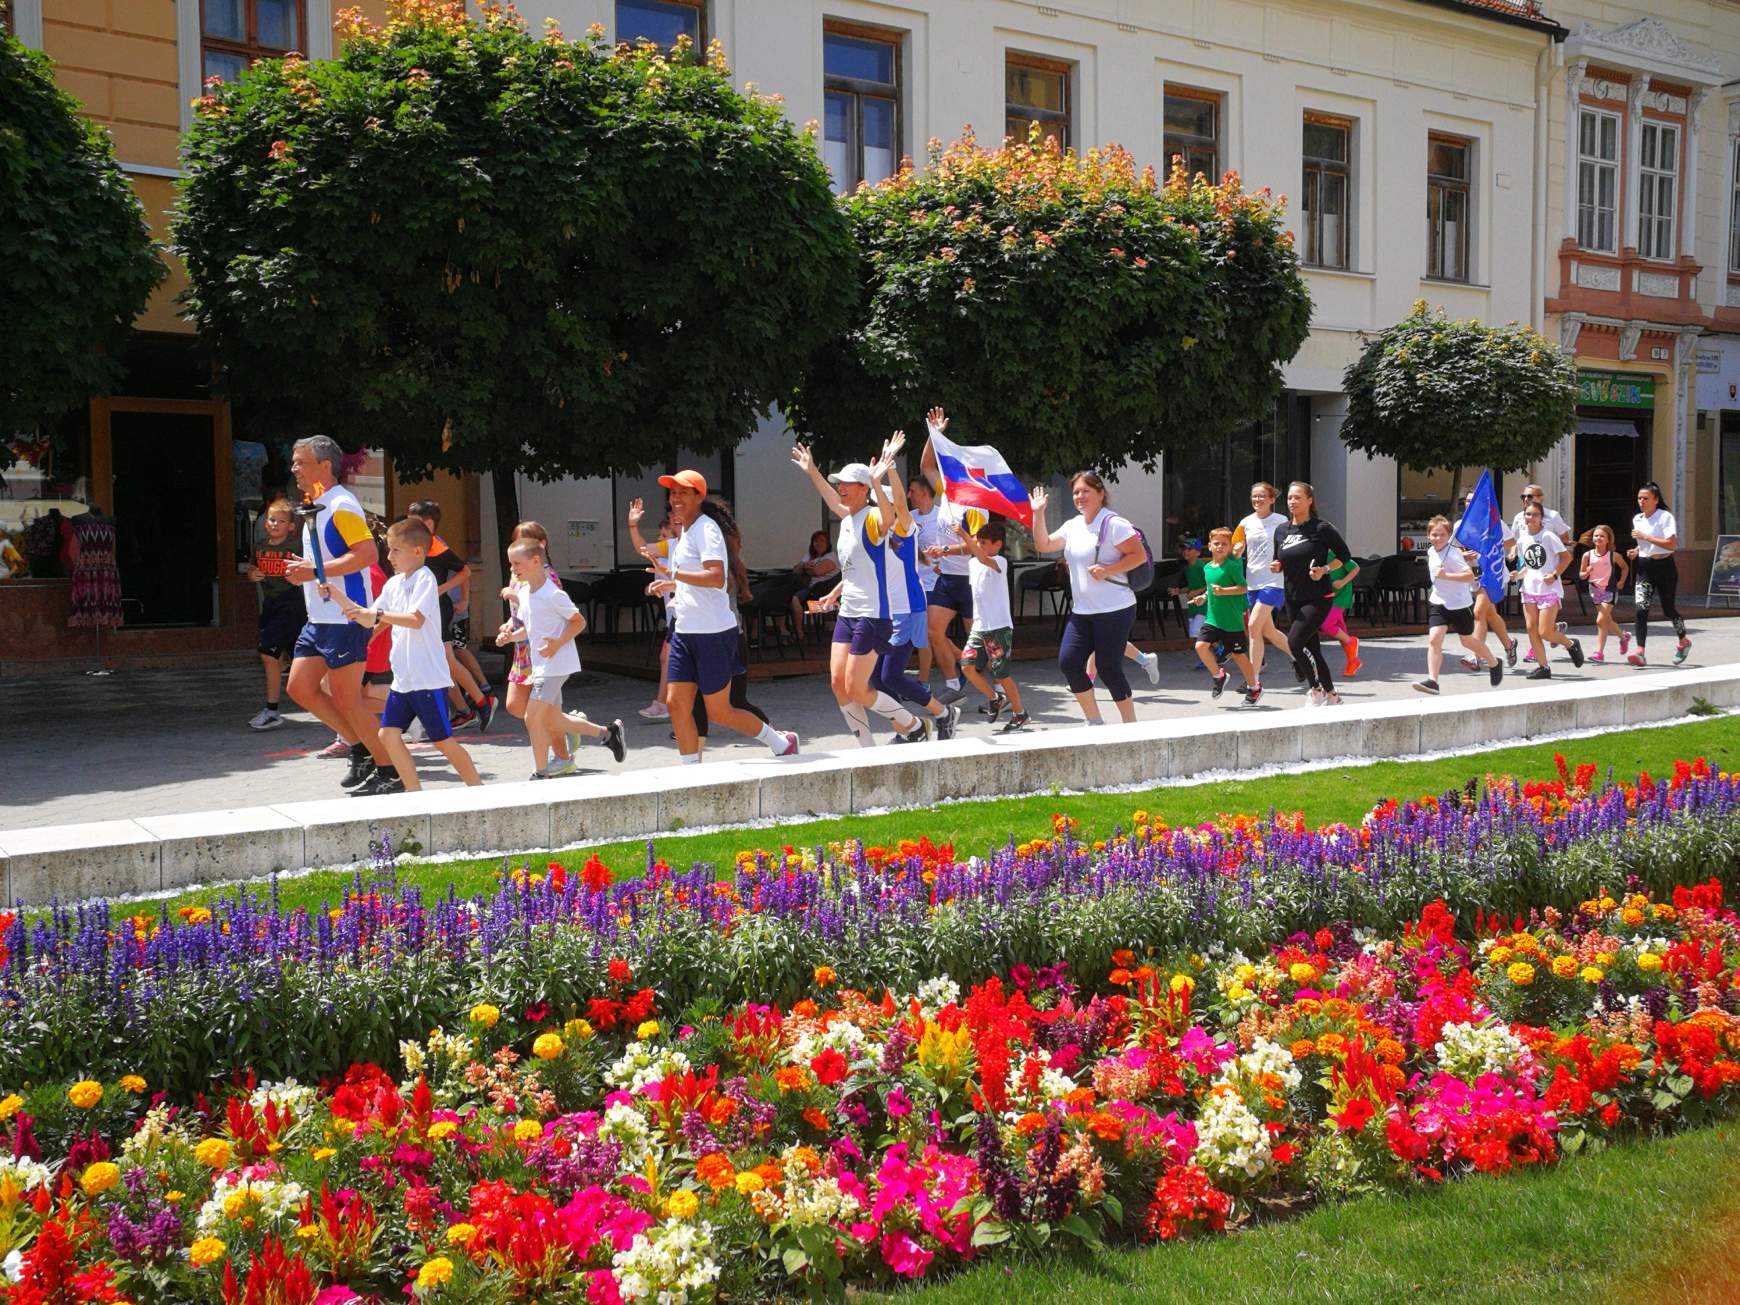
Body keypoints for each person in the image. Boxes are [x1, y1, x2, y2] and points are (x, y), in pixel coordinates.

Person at [794, 436, 956, 746]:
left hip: (883, 612)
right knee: (840, 684)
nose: (841, 486)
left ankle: (916, 724)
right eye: (839, 482)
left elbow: (892, 513)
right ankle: (869, 748)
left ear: (866, 491)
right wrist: (812, 470)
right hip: (850, 612)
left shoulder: (882, 521)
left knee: (871, 683)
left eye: (847, 482)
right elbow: (857, 565)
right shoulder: (848, 521)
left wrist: (886, 472)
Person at [651, 468, 799, 763]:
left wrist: (674, 572)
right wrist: (674, 583)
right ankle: (691, 773)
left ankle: (781, 741)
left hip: (713, 633)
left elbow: (716, 577)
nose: (675, 498)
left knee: (720, 711)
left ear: (699, 496)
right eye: (672, 492)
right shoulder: (687, 531)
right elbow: (696, 578)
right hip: (685, 630)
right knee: (676, 704)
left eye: (682, 492)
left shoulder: (706, 529)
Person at [334, 518, 483, 795]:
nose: (389, 557)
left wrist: (375, 616)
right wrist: (336, 595)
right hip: (403, 680)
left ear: (417, 551)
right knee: (387, 735)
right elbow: (371, 621)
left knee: (442, 741)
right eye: (388, 550)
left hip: (426, 678)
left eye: (395, 551)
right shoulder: (393, 584)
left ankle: (478, 792)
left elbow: (414, 619)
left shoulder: (425, 578)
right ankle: (414, 794)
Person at [282, 435, 395, 792]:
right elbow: (326, 562)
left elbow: (367, 555)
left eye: (301, 462)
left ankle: (389, 771)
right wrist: (304, 570)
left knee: (348, 699)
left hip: (345, 618)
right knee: (299, 688)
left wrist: (314, 571)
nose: (294, 468)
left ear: (324, 466)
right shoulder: (317, 503)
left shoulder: (342, 505)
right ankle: (361, 749)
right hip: (320, 619)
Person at [497, 537, 626, 778]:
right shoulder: (524, 593)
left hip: (555, 666)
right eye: (511, 564)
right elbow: (531, 629)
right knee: (553, 720)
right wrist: (511, 637)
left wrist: (557, 644)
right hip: (542, 665)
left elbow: (579, 622)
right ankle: (608, 734)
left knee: (532, 717)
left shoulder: (553, 594)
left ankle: (541, 772)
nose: (513, 569)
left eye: (516, 563)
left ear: (536, 561)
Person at [1030, 471, 1145, 725]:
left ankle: (1131, 726)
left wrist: (1108, 570)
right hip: (1083, 611)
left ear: (1100, 494)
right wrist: (1038, 513)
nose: (1079, 496)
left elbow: (1139, 556)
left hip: (1115, 609)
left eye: (1085, 491)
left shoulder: (1114, 523)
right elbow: (1044, 545)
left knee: (1108, 667)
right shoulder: (1073, 525)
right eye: (1075, 492)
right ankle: (1095, 722)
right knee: (1069, 662)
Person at [873, 457, 959, 742]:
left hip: (908, 609)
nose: (874, 511)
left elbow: (899, 502)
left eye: (878, 505)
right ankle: (911, 726)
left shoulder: (903, 527)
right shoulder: (876, 533)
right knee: (876, 679)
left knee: (891, 677)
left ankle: (940, 715)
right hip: (885, 612)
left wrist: (891, 470)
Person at [405, 500, 495, 734]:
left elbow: (464, 570)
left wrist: (443, 590)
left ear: (429, 523)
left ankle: (479, 703)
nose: (408, 524)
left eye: (413, 521)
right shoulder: (417, 545)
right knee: (441, 664)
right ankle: (469, 708)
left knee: (446, 662)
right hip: (424, 608)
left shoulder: (434, 545)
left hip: (436, 609)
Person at [919, 407, 985, 705]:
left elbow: (977, 547)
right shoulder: (946, 491)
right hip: (947, 578)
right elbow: (926, 465)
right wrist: (935, 434)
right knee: (933, 631)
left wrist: (945, 549)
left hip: (971, 579)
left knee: (980, 645)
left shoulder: (975, 505)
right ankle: (952, 686)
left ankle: (994, 691)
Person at [1269, 481, 1352, 707]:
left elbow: (1345, 556)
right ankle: (1333, 695)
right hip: (1293, 597)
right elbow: (1282, 559)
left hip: (1318, 596)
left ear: (1309, 500)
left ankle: (1315, 689)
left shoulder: (1321, 528)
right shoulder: (1281, 530)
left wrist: (1324, 570)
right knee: (1313, 649)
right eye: (1289, 498)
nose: (1292, 502)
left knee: (1294, 642)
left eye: (1297, 497)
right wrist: (1277, 565)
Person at [497, 520, 572, 765]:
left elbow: (546, 607)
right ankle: (566, 729)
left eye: (524, 542)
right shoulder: (517, 572)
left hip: (541, 647)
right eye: (515, 541)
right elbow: (522, 611)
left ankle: (561, 755)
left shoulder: (547, 574)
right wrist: (510, 623)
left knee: (538, 712)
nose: (518, 548)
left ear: (540, 546)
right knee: (518, 706)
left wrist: (514, 596)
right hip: (522, 646)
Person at [950, 517, 1028, 730]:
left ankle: (1020, 712)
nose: (980, 545)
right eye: (978, 541)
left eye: (984, 542)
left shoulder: (999, 562)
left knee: (1001, 673)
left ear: (997, 545)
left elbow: (984, 559)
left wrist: (964, 534)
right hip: (980, 626)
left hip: (999, 627)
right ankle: (995, 698)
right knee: (966, 666)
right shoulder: (972, 563)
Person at [1413, 516, 1502, 695]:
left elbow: (1469, 576)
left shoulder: (1453, 555)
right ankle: (1433, 681)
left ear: (1449, 536)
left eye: (1442, 535)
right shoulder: (1431, 551)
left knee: (1467, 641)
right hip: (1438, 603)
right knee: (1434, 639)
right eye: (1434, 535)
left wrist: (1446, 576)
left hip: (1460, 605)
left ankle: (1494, 662)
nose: (1437, 538)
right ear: (1428, 536)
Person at [246, 498, 305, 730]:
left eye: (281, 521)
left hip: (293, 604)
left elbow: (311, 569)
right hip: (271, 605)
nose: (275, 524)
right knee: (303, 660)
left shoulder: (296, 547)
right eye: (271, 519)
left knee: (267, 651)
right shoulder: (260, 546)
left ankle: (271, 709)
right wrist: (252, 574)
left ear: (291, 526)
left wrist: (300, 577)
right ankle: (272, 710)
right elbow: (251, 568)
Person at [1232, 483, 1296, 688]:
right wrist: (1238, 549)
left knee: (1252, 626)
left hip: (1274, 581)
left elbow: (1291, 548)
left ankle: (1253, 680)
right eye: (1254, 497)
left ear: (1271, 499)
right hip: (1253, 582)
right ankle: (1300, 659)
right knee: (1267, 631)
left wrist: (1284, 563)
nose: (1257, 500)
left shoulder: (1281, 521)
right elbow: (1235, 550)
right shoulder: (1245, 523)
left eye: (1261, 496)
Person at [1515, 499, 1584, 678]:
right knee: (1531, 628)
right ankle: (1543, 667)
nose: (1531, 517)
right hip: (1529, 588)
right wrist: (1517, 575)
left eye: (1535, 514)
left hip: (1549, 589)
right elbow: (1529, 566)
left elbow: (1566, 558)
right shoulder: (1522, 539)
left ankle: (1570, 644)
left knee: (1544, 631)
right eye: (1528, 514)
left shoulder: (1548, 536)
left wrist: (1554, 575)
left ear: (1541, 518)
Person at [1455, 488, 1520, 673]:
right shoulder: (1460, 524)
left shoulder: (1495, 522)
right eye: (1467, 501)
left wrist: (1499, 547)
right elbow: (1456, 548)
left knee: (1478, 613)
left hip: (1493, 573)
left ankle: (1475, 656)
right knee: (1489, 614)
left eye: (1473, 501)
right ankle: (1509, 644)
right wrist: (1464, 554)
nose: (1470, 504)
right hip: (1474, 573)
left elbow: (1510, 542)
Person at [1627, 481, 1692, 667]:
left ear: (1655, 499)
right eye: (1639, 498)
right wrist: (1636, 550)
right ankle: (1640, 652)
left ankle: (1683, 641)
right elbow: (1644, 545)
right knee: (1641, 609)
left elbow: (1672, 545)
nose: (1641, 501)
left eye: (1645, 498)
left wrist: (1645, 537)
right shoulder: (1637, 519)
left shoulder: (1665, 517)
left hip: (1665, 567)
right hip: (1644, 568)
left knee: (1668, 609)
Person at [625, 503, 678, 720]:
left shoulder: (688, 546)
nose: (660, 537)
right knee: (667, 658)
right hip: (676, 617)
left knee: (668, 658)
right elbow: (643, 549)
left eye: (664, 532)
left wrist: (671, 583)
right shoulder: (669, 547)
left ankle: (667, 705)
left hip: (689, 617)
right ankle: (669, 705)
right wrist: (632, 524)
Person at [1194, 527, 1259, 703]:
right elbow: (1211, 589)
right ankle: (1218, 675)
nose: (1220, 547)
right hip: (1213, 618)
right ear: (1209, 546)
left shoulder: (1231, 566)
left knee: (1239, 656)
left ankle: (1254, 687)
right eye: (1216, 543)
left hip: (1232, 621)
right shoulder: (1207, 567)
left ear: (1230, 547)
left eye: (1224, 544)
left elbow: (1243, 587)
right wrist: (1203, 597)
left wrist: (1223, 591)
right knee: (1200, 646)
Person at [906, 472, 946, 683]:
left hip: (936, 584)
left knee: (929, 633)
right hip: (915, 583)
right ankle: (965, 662)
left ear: (924, 492)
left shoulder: (942, 516)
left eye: (912, 491)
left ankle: (923, 682)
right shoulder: (910, 517)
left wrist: (944, 563)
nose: (909, 494)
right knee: (925, 634)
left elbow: (952, 546)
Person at [1581, 524, 1630, 663]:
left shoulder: (1614, 556)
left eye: (1602, 536)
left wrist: (1621, 581)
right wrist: (1587, 572)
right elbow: (1581, 575)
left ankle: (1599, 653)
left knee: (1600, 620)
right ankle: (1623, 637)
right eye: (1596, 535)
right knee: (1607, 620)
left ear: (1609, 539)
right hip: (1595, 590)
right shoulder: (1587, 555)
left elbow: (1625, 567)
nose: (1599, 538)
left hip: (1609, 590)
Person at [789, 529, 841, 633]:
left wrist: (804, 568)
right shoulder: (810, 555)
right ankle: (784, 630)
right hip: (807, 587)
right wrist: (804, 566)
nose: (818, 543)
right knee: (784, 594)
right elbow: (796, 570)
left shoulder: (831, 556)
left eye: (822, 541)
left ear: (827, 543)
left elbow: (817, 572)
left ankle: (799, 633)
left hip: (820, 592)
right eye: (815, 541)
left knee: (794, 599)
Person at [1321, 552, 1361, 676]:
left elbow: (1356, 568)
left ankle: (1351, 641)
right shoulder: (1317, 553)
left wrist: (1343, 582)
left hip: (1341, 596)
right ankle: (1353, 661)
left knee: (1327, 625)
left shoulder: (1335, 553)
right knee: (1340, 630)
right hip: (1327, 595)